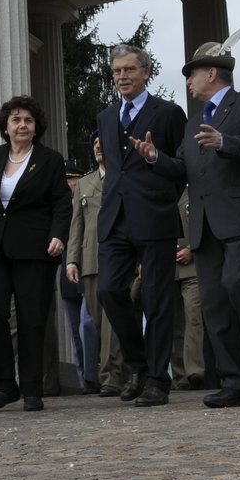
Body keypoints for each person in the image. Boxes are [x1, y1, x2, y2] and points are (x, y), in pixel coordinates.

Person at [134, 33, 240, 408]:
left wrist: (226, 143)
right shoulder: (193, 123)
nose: (187, 81)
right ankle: (235, 382)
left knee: (239, 284)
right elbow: (183, 169)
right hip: (203, 226)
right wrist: (155, 157)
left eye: (192, 74)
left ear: (212, 73)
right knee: (215, 304)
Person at [0, 96, 72, 411]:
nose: (22, 125)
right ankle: (4, 384)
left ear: (36, 127)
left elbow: (62, 202)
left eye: (28, 120)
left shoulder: (49, 160)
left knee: (33, 318)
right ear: (5, 127)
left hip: (35, 248)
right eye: (16, 120)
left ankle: (32, 389)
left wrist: (59, 235)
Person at [97, 43, 186, 407]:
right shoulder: (105, 117)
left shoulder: (167, 113)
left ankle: (156, 380)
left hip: (154, 216)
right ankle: (137, 365)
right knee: (109, 291)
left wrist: (154, 158)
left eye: (129, 70)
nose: (122, 77)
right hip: (114, 217)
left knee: (157, 298)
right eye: (117, 71)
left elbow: (182, 169)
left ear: (146, 72)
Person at [67, 133, 123, 395]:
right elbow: (76, 225)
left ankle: (111, 376)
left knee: (114, 320)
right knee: (98, 322)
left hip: (119, 258)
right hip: (90, 260)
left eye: (103, 142)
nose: (99, 146)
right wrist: (72, 261)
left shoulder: (124, 176)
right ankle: (117, 371)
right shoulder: (85, 183)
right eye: (95, 144)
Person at [57, 157, 90, 393]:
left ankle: (96, 375)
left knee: (88, 327)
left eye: (71, 179)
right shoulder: (59, 207)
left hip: (88, 269)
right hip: (68, 275)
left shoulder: (88, 200)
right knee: (76, 332)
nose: (69, 184)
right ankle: (83, 380)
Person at [171, 188, 207, 389]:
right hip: (168, 268)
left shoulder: (195, 191)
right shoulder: (161, 190)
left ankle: (194, 371)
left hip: (192, 266)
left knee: (193, 317)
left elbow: (206, 221)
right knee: (174, 322)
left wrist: (193, 248)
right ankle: (180, 375)